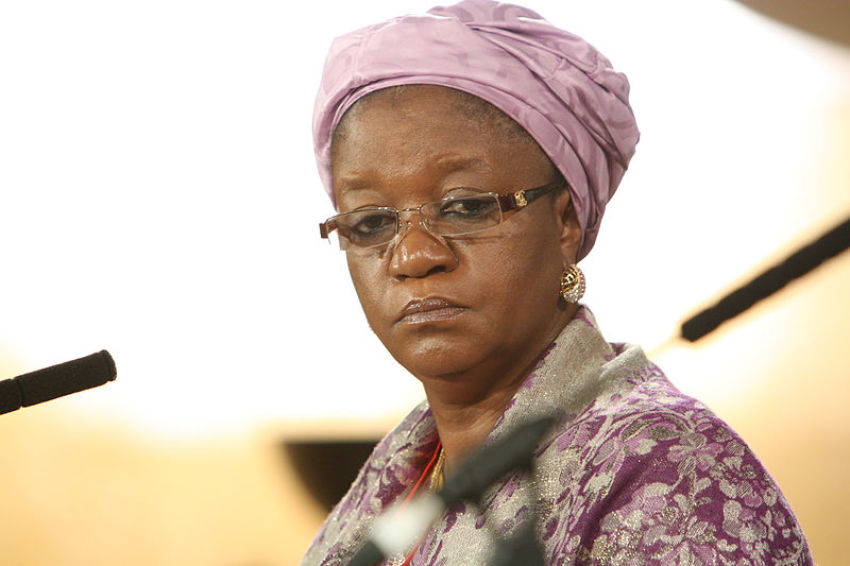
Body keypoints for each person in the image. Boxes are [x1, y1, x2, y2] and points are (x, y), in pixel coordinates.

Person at [303, 1, 813, 564]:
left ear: (566, 221)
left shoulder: (666, 472)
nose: (414, 255)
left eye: (465, 207)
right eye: (372, 222)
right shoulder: (397, 480)